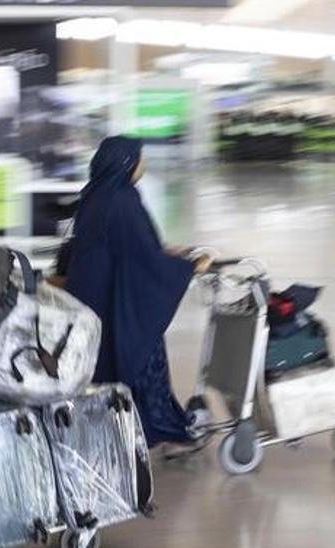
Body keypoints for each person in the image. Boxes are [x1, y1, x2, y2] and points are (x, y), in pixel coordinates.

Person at [64, 136, 212, 458]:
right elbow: (144, 260)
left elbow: (123, 246)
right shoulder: (124, 199)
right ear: (127, 163)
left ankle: (113, 432)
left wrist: (168, 251)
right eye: (140, 158)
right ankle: (162, 434)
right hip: (123, 305)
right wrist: (190, 267)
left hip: (94, 302)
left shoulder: (94, 196)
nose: (143, 164)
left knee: (105, 370)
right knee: (144, 360)